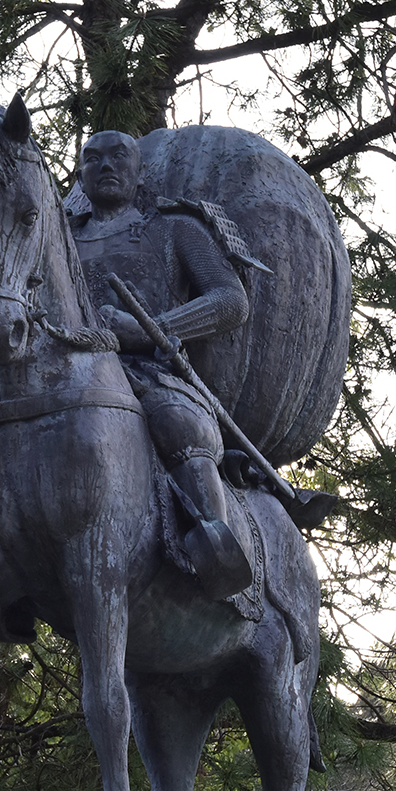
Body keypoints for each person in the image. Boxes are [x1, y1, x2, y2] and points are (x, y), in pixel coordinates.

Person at [72, 130, 255, 599]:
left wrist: (148, 326)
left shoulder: (174, 228)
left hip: (151, 370)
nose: (105, 166)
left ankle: (215, 545)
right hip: (70, 371)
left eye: (118, 157)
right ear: (79, 173)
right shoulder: (61, 237)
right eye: (92, 159)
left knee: (181, 427)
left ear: (140, 172)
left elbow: (230, 300)